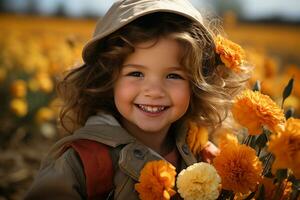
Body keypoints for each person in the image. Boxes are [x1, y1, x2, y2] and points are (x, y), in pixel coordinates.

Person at [25, 0, 249, 199]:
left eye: (173, 75)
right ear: (109, 78)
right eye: (136, 74)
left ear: (197, 84)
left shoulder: (204, 155)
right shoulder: (82, 163)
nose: (154, 91)